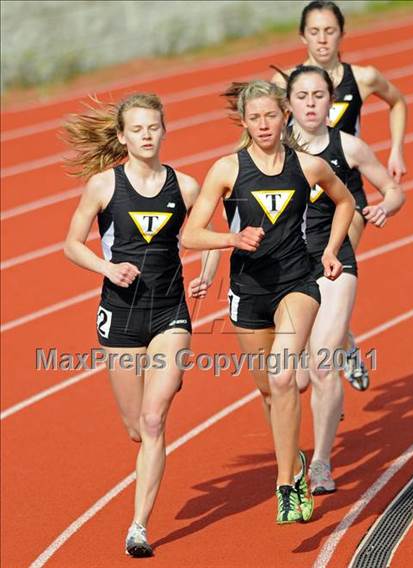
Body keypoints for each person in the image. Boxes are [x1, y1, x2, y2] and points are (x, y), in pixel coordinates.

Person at [181, 79, 355, 523]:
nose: (263, 124)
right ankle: (294, 459)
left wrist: (332, 250)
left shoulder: (308, 166)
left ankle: (286, 483)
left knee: (282, 378)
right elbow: (191, 233)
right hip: (248, 294)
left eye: (270, 116)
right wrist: (232, 238)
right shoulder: (227, 170)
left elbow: (345, 201)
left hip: (298, 282)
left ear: (285, 117)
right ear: (244, 121)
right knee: (269, 390)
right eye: (254, 117)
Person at [63, 93, 219, 557]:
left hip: (170, 312)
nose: (147, 135)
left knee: (154, 420)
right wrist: (108, 269)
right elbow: (71, 244)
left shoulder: (186, 187)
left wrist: (207, 275)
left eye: (154, 127)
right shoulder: (102, 186)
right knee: (135, 426)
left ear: (164, 130)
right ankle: (161, 385)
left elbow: (210, 233)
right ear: (122, 136)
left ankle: (138, 527)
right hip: (121, 317)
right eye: (138, 129)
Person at [271, 0, 408, 390]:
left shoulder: (362, 78)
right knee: (308, 276)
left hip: (348, 191)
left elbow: (397, 101)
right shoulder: (288, 85)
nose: (322, 40)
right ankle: (342, 338)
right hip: (301, 197)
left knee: (335, 267)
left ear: (342, 34)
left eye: (329, 31)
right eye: (314, 32)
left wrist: (396, 149)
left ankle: (333, 345)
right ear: (302, 37)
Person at [284, 65, 405, 494]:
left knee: (320, 364)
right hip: (286, 267)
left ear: (332, 101)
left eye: (320, 96)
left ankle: (320, 462)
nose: (312, 104)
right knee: (293, 379)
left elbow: (394, 190)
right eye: (303, 96)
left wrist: (384, 208)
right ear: (290, 103)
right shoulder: (272, 149)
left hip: (335, 261)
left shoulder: (348, 146)